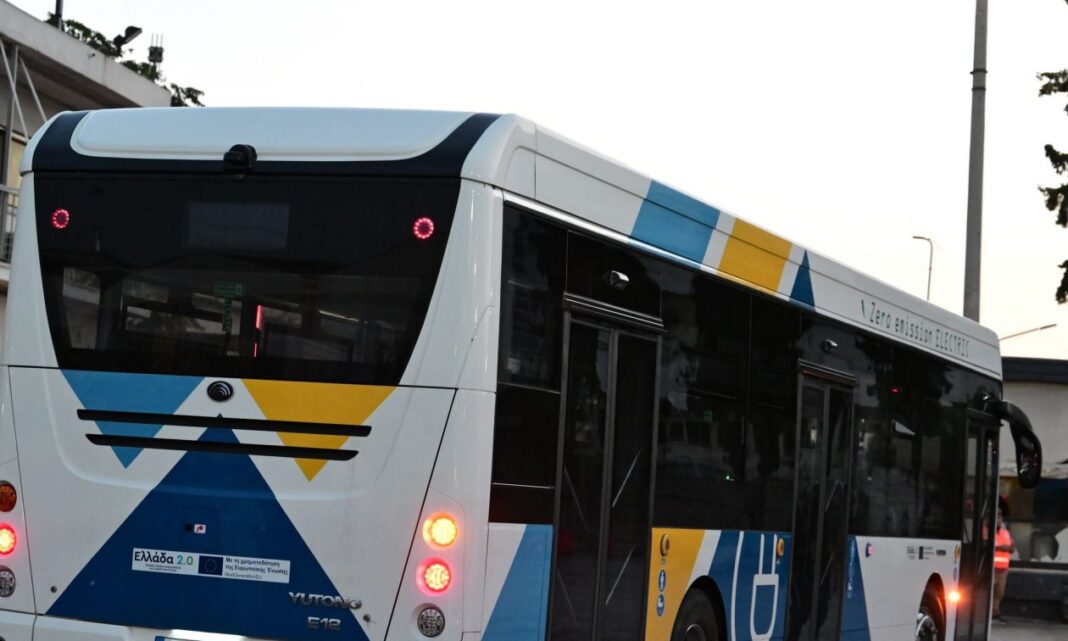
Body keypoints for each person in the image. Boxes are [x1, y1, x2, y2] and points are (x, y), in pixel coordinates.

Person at [992, 508, 1015, 622]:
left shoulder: (1006, 533)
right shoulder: (987, 531)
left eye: (1000, 518)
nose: (998, 520)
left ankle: (995, 612)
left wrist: (1008, 548)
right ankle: (988, 613)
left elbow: (1012, 548)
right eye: (996, 518)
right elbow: (985, 545)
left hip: (1003, 569)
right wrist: (1002, 548)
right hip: (991, 569)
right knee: (988, 592)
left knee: (999, 593)